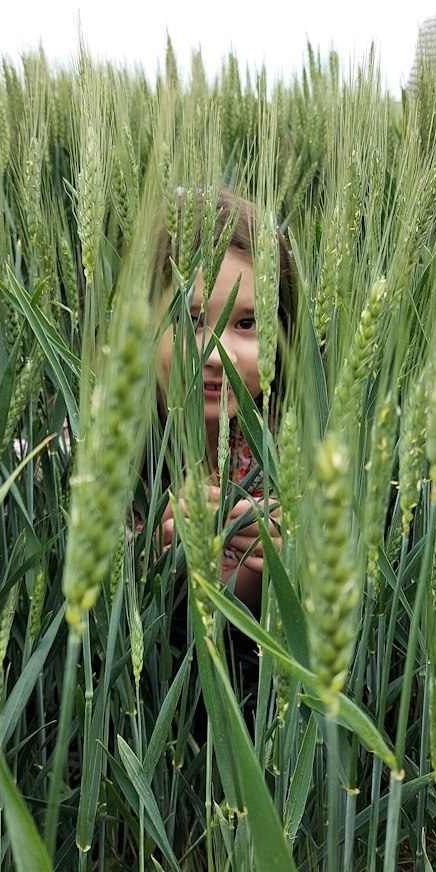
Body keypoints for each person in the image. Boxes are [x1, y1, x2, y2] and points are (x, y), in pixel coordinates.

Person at [150, 189, 296, 616]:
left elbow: (252, 618)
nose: (215, 356)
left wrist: (276, 565)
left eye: (248, 323)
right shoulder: (103, 440)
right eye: (190, 321)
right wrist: (149, 561)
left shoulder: (288, 447)